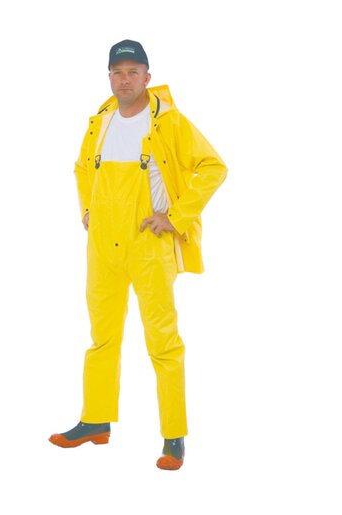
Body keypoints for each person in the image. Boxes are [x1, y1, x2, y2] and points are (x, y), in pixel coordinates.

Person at [49, 39, 227, 470]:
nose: (124, 80)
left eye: (133, 72)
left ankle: (174, 437)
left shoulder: (169, 122)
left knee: (162, 341)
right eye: (117, 72)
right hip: (102, 244)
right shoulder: (101, 120)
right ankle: (95, 420)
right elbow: (82, 167)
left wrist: (176, 217)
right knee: (102, 336)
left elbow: (213, 167)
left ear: (147, 77)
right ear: (109, 77)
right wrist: (87, 209)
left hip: (149, 243)